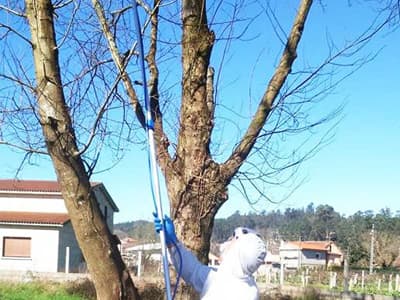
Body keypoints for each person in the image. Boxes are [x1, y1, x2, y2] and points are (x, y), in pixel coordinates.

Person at [154, 214, 267, 300]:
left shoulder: (241, 292)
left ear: (237, 251)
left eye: (234, 239)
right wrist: (173, 244)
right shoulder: (226, 278)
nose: (229, 241)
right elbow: (193, 270)